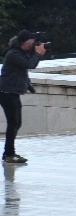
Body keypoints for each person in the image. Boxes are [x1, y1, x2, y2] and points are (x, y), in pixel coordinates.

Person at [0, 31, 46, 164]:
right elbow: (29, 65)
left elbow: (27, 67)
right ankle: (9, 154)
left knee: (16, 123)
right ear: (23, 42)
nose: (31, 45)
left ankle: (9, 153)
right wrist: (37, 53)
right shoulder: (13, 54)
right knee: (14, 123)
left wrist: (38, 53)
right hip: (6, 92)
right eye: (30, 43)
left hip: (12, 92)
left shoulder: (21, 53)